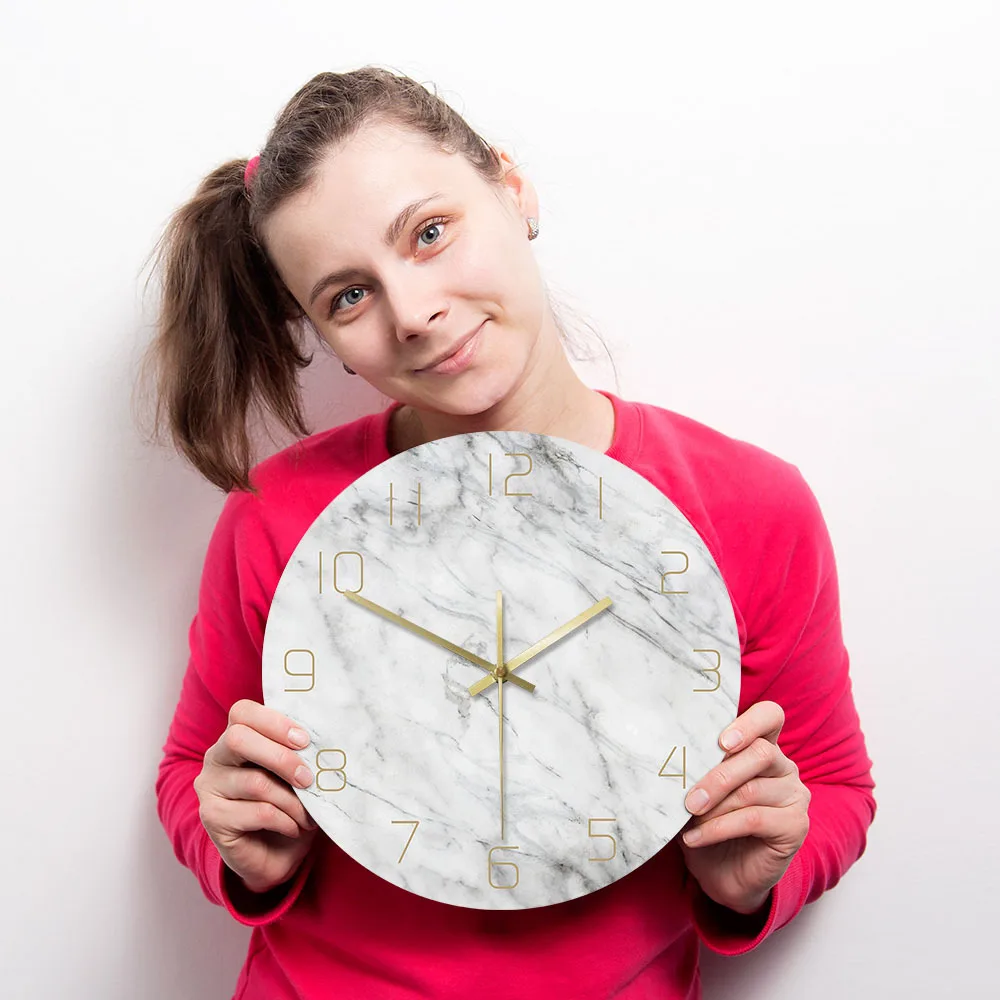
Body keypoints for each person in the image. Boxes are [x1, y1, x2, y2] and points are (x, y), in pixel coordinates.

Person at [143, 65, 877, 1000]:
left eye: (431, 233)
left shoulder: (751, 507)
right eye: (348, 297)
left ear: (512, 187)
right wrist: (242, 846)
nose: (414, 313)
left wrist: (753, 876)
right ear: (324, 336)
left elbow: (835, 789)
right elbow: (189, 771)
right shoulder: (278, 513)